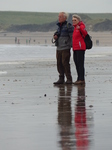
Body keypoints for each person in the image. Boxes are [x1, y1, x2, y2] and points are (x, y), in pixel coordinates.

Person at [53, 12, 74, 84]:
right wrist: (55, 36)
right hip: (59, 47)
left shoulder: (69, 26)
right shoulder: (59, 26)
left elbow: (72, 37)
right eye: (58, 16)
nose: (59, 18)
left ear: (65, 18)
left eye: (60, 17)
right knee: (59, 63)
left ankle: (69, 79)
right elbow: (57, 33)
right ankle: (61, 78)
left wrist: (71, 46)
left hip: (65, 48)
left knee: (65, 63)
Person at [72, 14, 87, 85]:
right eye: (73, 20)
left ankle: (82, 79)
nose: (73, 21)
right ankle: (79, 78)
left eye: (75, 20)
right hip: (75, 48)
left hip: (80, 48)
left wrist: (80, 28)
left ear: (78, 20)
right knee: (76, 63)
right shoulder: (74, 28)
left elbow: (85, 33)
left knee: (80, 63)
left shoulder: (81, 26)